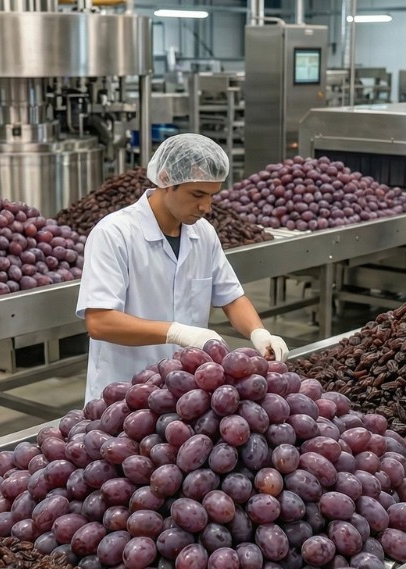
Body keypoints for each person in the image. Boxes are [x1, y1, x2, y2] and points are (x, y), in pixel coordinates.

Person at [76, 133, 288, 403]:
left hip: (189, 395)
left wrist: (259, 333)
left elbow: (231, 297)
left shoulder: (203, 233)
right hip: (125, 393)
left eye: (212, 195)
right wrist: (177, 332)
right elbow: (100, 322)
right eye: (197, 194)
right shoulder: (114, 234)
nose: (206, 206)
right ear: (166, 180)